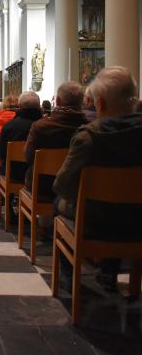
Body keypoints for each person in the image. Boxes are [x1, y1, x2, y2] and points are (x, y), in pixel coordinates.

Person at [53, 66, 142, 291]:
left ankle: (68, 274)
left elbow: (62, 185)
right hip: (137, 220)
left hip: (95, 221)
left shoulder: (88, 137)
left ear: (99, 103)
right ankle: (109, 271)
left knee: (59, 203)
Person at [24, 82, 87, 193]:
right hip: (77, 187)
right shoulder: (89, 128)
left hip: (42, 185)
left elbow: (28, 157)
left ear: (57, 100)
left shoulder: (40, 126)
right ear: (83, 101)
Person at [0, 91, 41, 181]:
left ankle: (7, 195)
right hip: (40, 175)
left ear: (19, 106)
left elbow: (1, 153)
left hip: (14, 173)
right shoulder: (45, 126)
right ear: (39, 106)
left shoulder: (10, 126)